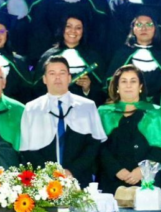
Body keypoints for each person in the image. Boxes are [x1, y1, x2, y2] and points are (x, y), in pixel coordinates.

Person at [20, 56, 106, 186]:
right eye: (52, 73)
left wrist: (71, 171)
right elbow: (26, 149)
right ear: (44, 79)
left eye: (62, 73)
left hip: (79, 180)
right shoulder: (32, 108)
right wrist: (50, 173)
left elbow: (93, 145)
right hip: (44, 183)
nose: (57, 77)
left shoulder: (87, 106)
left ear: (70, 77)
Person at [98, 65, 161, 194]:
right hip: (111, 179)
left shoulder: (154, 112)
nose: (128, 85)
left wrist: (142, 170)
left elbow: (160, 149)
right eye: (124, 81)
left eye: (133, 81)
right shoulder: (104, 113)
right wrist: (117, 170)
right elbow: (99, 148)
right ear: (117, 87)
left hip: (147, 180)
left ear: (140, 87)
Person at [106, 5, 161, 103]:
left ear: (155, 28)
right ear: (133, 29)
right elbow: (111, 83)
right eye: (139, 24)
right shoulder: (122, 53)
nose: (144, 29)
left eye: (149, 24)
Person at [34, 5, 106, 105]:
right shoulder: (48, 56)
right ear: (62, 28)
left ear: (83, 31)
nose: (73, 31)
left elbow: (103, 92)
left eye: (78, 28)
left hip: (82, 111)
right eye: (68, 26)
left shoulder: (93, 57)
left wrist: (88, 88)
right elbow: (37, 89)